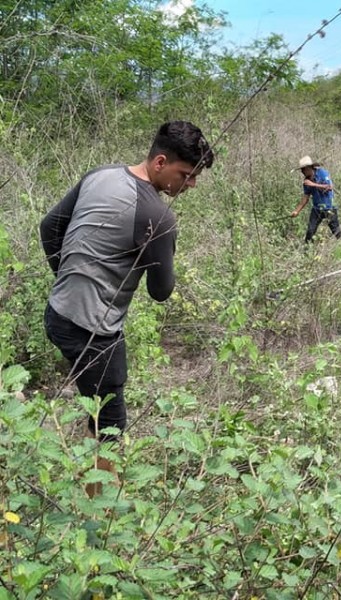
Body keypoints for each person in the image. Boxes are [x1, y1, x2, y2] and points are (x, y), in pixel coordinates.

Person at [40, 120, 214, 496]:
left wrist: (68, 276)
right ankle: (100, 506)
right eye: (186, 175)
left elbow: (49, 226)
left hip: (57, 312)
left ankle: (93, 482)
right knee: (110, 422)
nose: (191, 185)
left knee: (95, 403)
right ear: (160, 162)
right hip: (94, 332)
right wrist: (162, 245)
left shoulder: (100, 175)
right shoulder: (158, 217)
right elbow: (161, 291)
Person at [290, 155, 341, 243]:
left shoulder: (322, 173)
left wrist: (313, 184)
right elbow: (305, 197)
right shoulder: (306, 181)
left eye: (303, 169)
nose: (302, 172)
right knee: (310, 232)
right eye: (301, 170)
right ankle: (306, 251)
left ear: (309, 168)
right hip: (316, 209)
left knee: (336, 231)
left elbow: (329, 187)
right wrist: (297, 211)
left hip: (329, 208)